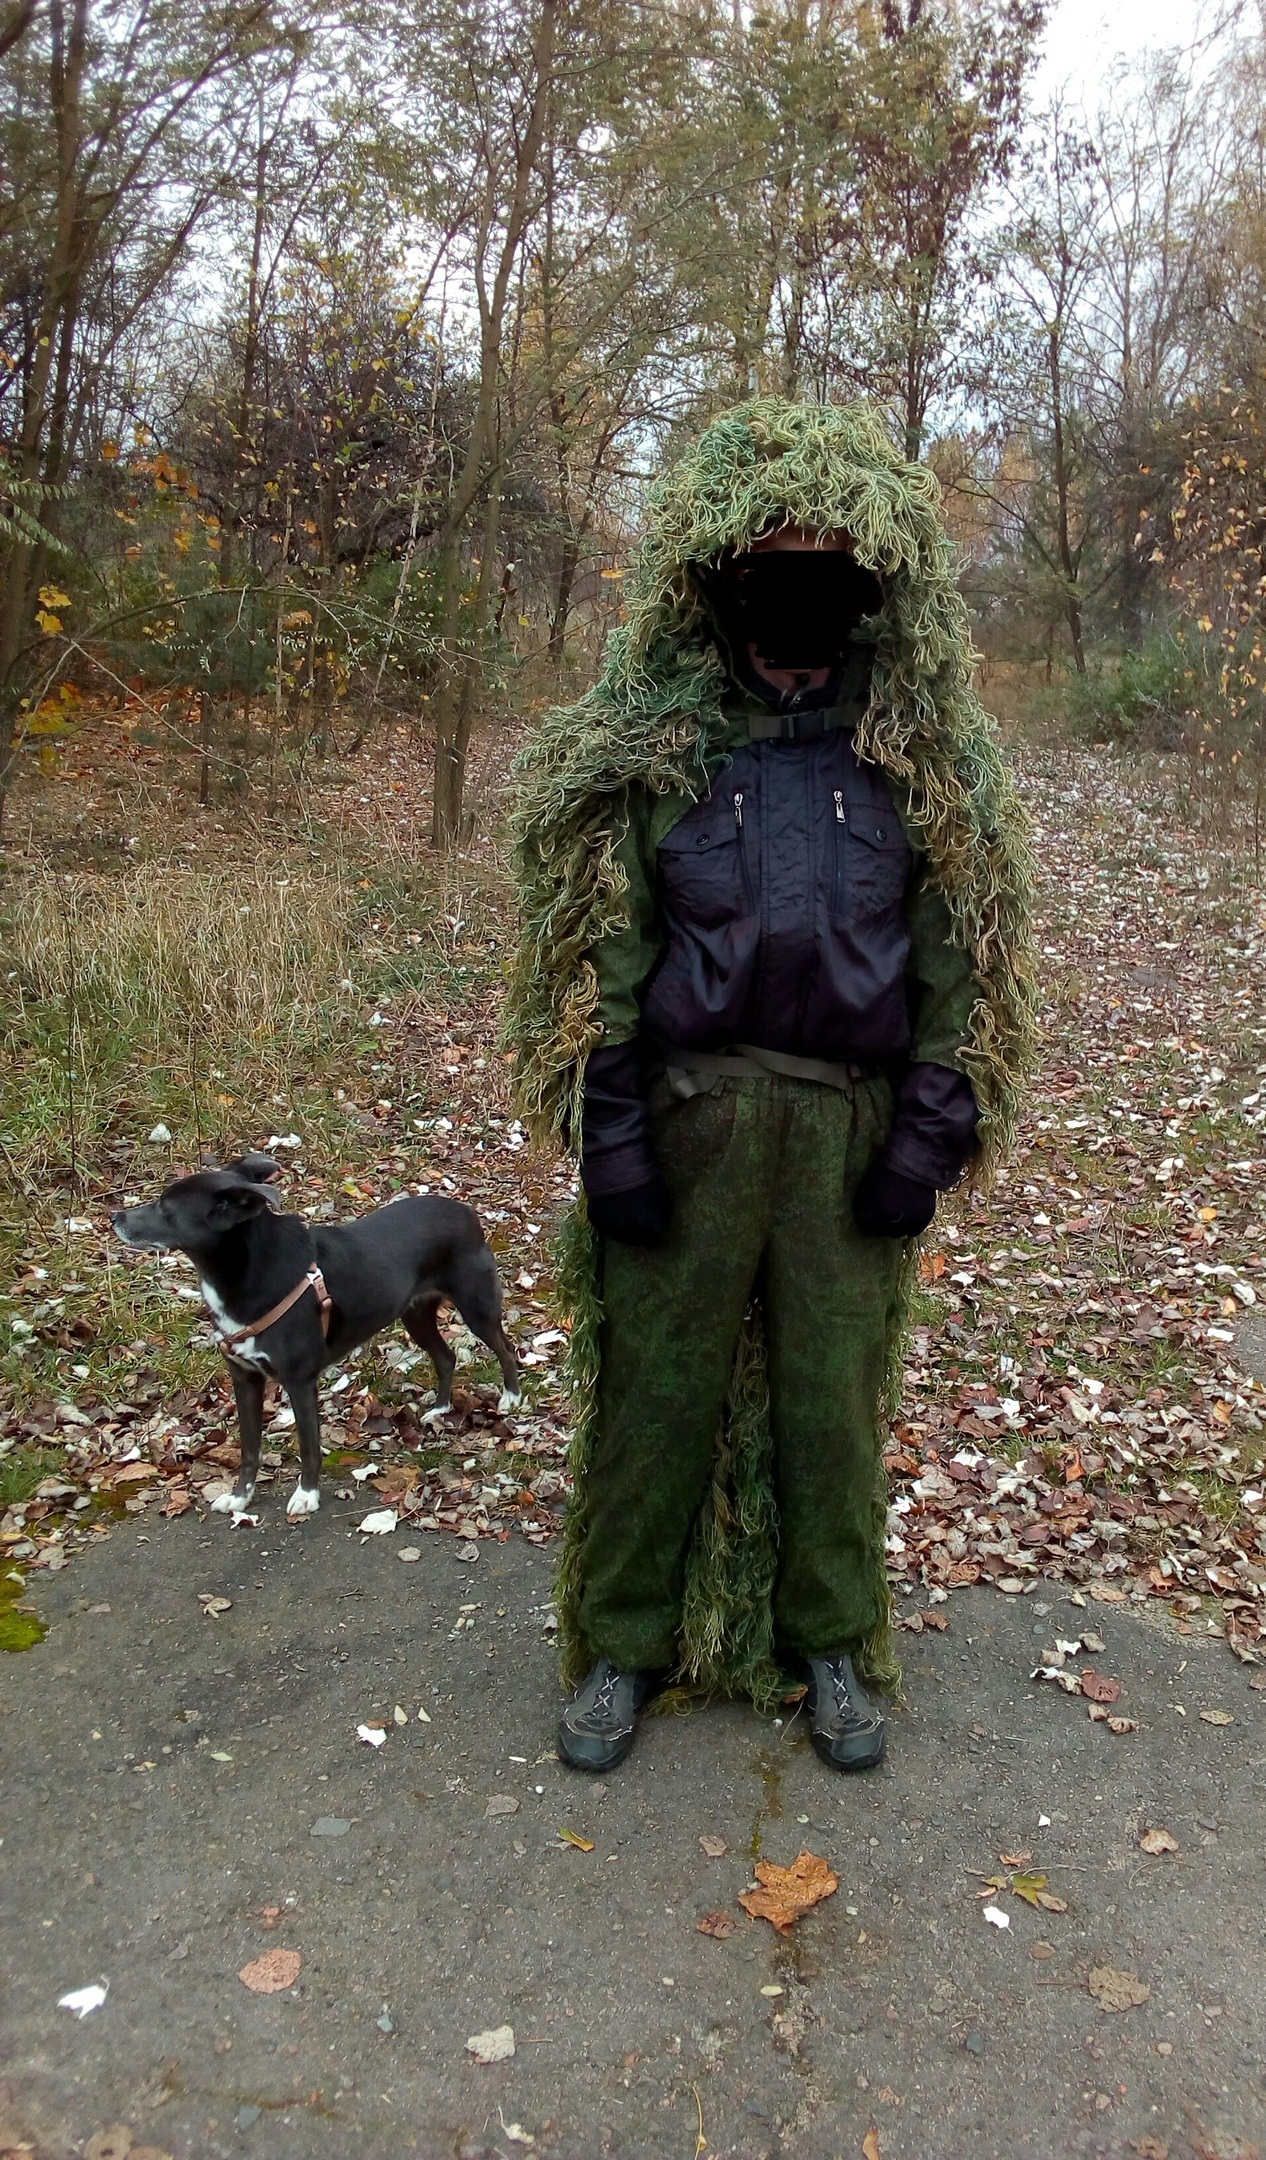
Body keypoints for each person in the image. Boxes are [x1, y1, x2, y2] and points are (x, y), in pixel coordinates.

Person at [508, 400, 1034, 1774]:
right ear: (729, 583)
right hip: (693, 1123)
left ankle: (834, 1645)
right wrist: (613, 1144)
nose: (801, 587)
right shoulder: (661, 756)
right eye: (774, 564)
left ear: (867, 589)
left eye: (827, 566)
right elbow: (603, 957)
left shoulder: (911, 767)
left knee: (832, 1407)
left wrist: (924, 1142)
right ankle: (622, 1645)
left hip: (846, 1135)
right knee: (655, 1399)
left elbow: (963, 968)